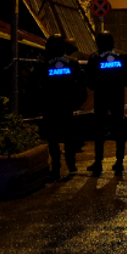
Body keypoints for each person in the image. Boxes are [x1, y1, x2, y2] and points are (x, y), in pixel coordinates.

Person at [85, 32, 127, 177]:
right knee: (119, 128)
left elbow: (89, 78)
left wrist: (96, 86)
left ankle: (98, 163)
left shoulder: (95, 57)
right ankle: (119, 162)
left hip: (101, 97)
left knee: (99, 130)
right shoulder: (122, 55)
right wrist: (121, 83)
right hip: (117, 96)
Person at [40, 34, 87, 181]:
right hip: (67, 104)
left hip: (50, 105)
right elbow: (82, 81)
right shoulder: (72, 62)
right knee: (68, 136)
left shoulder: (44, 63)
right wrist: (77, 101)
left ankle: (56, 168)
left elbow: (36, 84)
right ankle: (71, 166)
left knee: (53, 138)